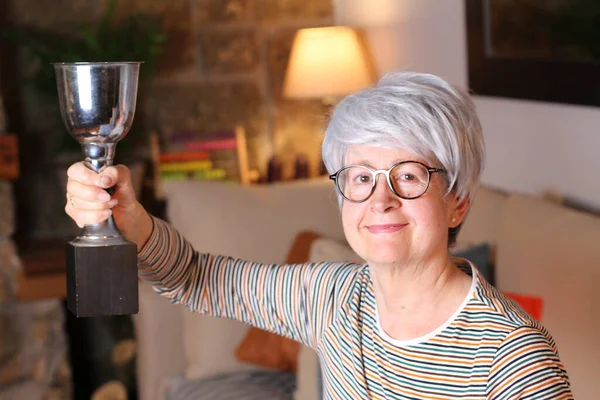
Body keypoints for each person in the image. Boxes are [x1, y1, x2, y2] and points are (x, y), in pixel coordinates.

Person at [65, 71, 573, 399]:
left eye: (410, 175)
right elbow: (197, 278)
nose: (381, 199)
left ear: (458, 198)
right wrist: (128, 217)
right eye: (360, 177)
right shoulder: (332, 297)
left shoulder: (513, 358)